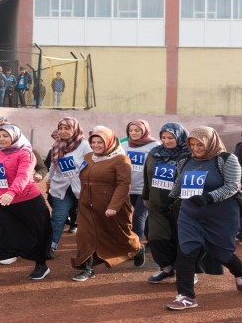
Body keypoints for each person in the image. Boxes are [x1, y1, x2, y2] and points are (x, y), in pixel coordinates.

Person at [164, 126, 242, 310]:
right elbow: (180, 182)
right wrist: (170, 198)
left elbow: (233, 186)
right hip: (190, 215)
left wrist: (208, 197)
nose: (195, 149)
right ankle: (186, 296)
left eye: (200, 145)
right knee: (186, 252)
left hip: (220, 215)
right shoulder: (185, 160)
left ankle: (241, 271)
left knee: (222, 253)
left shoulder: (226, 160)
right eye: (192, 144)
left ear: (210, 142)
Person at [0, 125, 53, 284]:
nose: (1, 139)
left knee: (37, 232)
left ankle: (41, 265)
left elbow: (24, 175)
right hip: (2, 201)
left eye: (5, 135)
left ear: (14, 136)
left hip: (28, 201)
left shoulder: (26, 153)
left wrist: (11, 192)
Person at [71, 126, 145, 282]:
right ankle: (87, 268)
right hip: (87, 204)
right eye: (94, 142)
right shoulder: (89, 156)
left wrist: (113, 206)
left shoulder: (121, 159)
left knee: (119, 235)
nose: (96, 146)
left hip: (110, 206)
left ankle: (136, 248)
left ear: (110, 142)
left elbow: (124, 184)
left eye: (100, 142)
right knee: (85, 235)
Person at [142, 123, 192, 283]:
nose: (166, 141)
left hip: (181, 205)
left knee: (182, 238)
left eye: (170, 137)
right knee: (156, 236)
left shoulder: (189, 155)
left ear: (180, 137)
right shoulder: (155, 152)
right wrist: (146, 195)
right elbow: (147, 176)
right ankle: (166, 267)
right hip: (157, 204)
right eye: (163, 137)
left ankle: (189, 271)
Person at [46, 117, 92, 257]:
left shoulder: (84, 145)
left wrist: (77, 172)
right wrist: (49, 181)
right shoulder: (57, 145)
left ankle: (92, 248)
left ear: (75, 129)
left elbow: (91, 164)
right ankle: (51, 246)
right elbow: (54, 166)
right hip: (61, 187)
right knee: (58, 218)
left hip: (82, 188)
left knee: (88, 219)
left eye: (67, 128)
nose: (63, 131)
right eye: (60, 128)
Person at [121, 119, 160, 243]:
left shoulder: (155, 146)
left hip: (146, 189)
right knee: (144, 216)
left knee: (138, 216)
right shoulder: (124, 144)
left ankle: (135, 247)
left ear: (144, 130)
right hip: (130, 187)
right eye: (131, 130)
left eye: (137, 130)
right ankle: (151, 240)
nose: (133, 133)